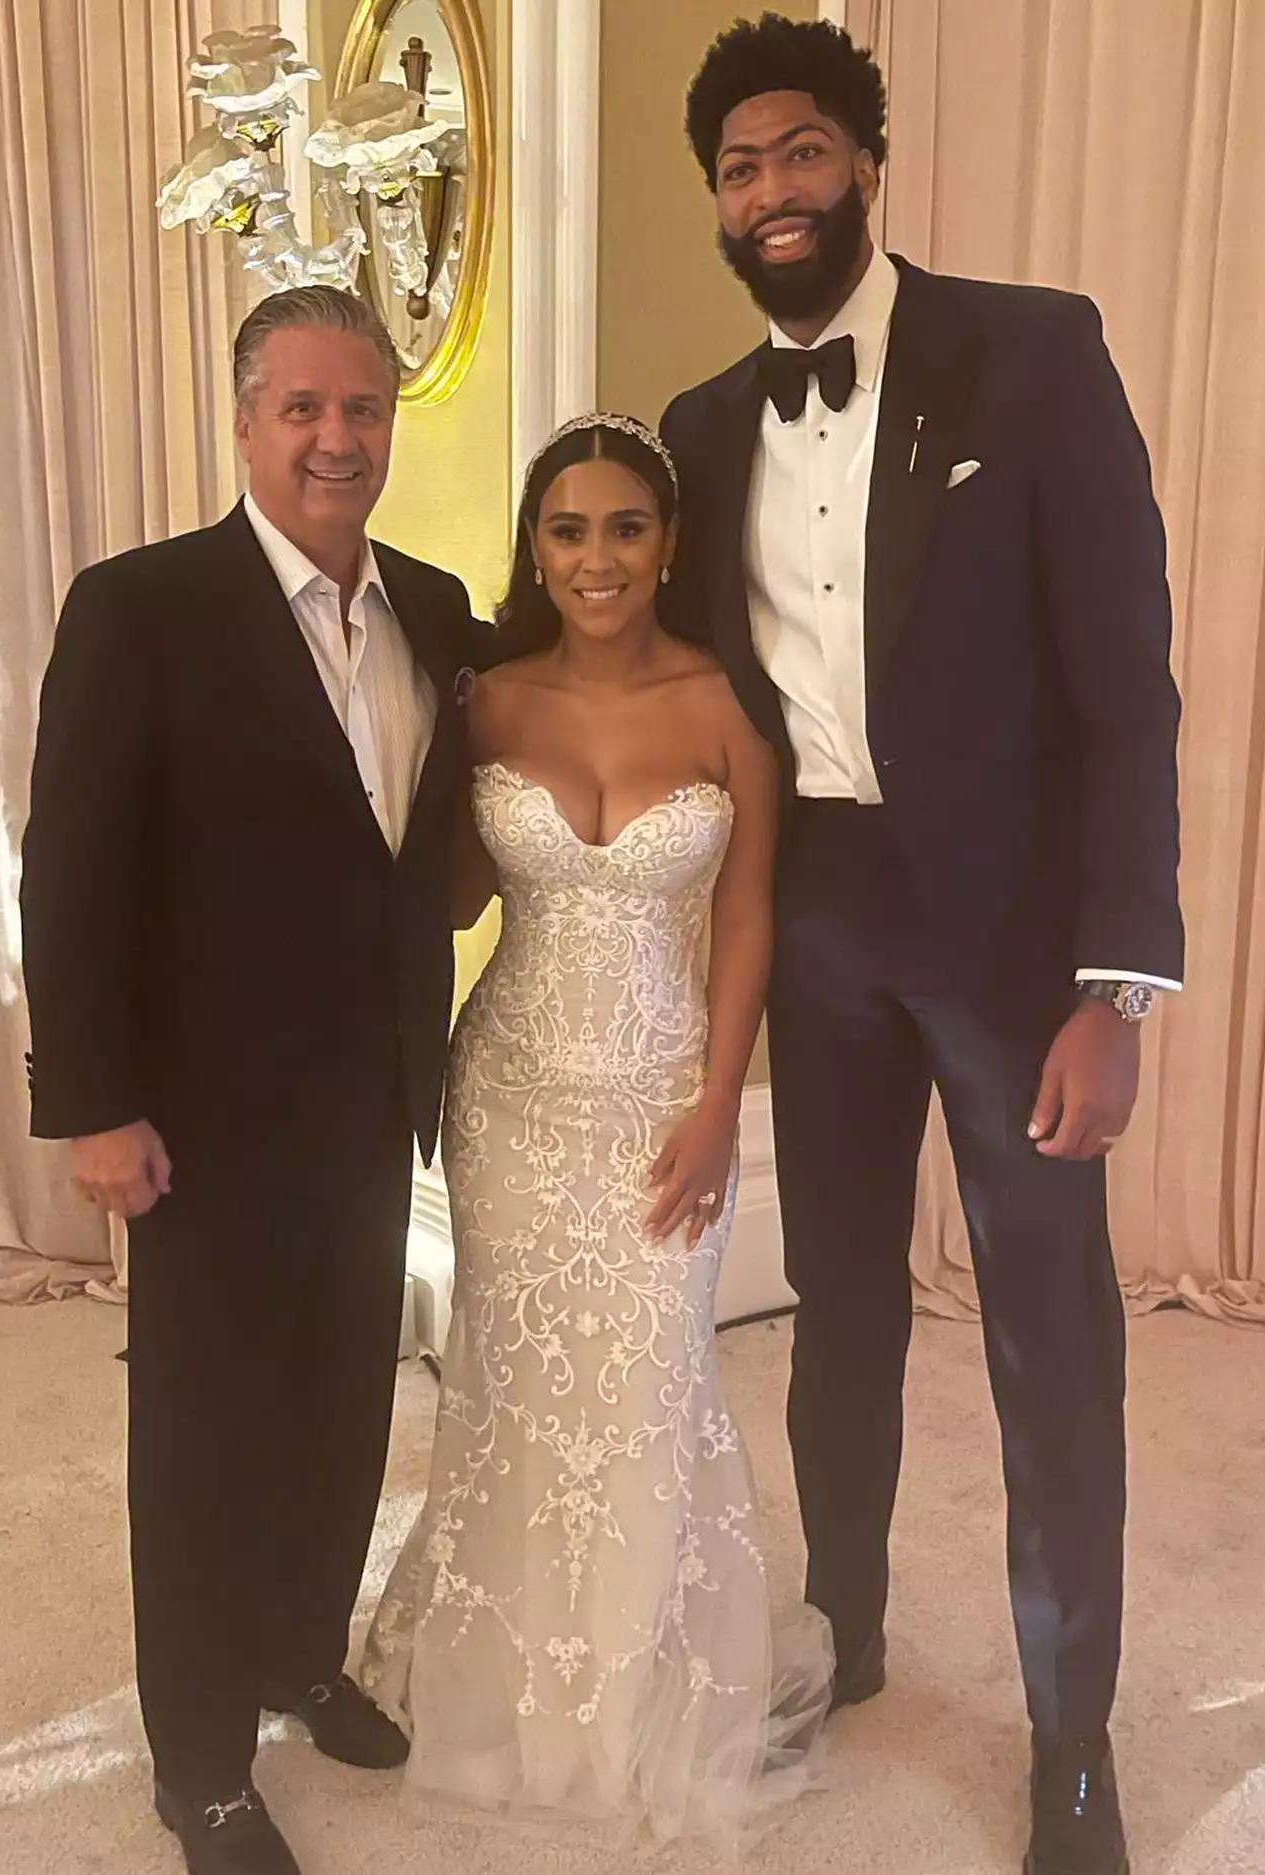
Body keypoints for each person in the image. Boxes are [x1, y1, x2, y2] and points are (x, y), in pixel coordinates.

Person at [660, 18, 1184, 1875]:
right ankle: (848, 1625)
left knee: (1051, 1338)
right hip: (820, 924)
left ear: (867, 163)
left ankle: (1074, 1743)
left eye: (803, 153)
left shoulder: (1034, 351)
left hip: (1021, 943)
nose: (774, 191)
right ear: (717, 202)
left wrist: (1117, 985)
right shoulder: (703, 428)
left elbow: (1129, 688)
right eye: (739, 166)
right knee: (838, 1315)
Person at [19, 285, 493, 1875]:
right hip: (200, 1120)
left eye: (362, 409)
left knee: (345, 1405)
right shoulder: (140, 605)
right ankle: (202, 1761)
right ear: (242, 422)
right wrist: (92, 1097)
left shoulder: (433, 604)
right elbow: (68, 869)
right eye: (302, 408)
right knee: (206, 1441)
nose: (335, 438)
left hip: (376, 1098)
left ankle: (301, 1653)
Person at [360, 413, 832, 1847]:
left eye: (625, 525)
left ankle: (639, 1688)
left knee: (645, 1381)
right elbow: (444, 901)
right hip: (508, 1090)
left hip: (657, 1097)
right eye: (566, 530)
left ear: (669, 541)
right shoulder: (490, 698)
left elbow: (746, 912)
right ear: (536, 549)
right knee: (510, 1384)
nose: (596, 557)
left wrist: (716, 1103)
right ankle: (491, 1669)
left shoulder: (727, 705)